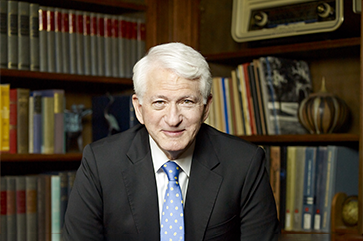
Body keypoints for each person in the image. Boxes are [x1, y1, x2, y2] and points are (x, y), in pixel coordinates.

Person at [62, 42, 280, 241]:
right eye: (159, 102)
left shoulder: (244, 164)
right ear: (139, 108)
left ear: (206, 107)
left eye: (187, 101)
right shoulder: (100, 163)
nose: (173, 119)